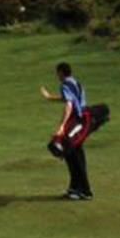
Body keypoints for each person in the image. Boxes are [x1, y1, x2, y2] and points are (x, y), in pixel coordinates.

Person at [40, 61, 92, 199]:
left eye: (57, 72)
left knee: (73, 155)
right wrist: (50, 97)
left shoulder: (64, 84)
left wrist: (62, 126)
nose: (57, 75)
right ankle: (75, 189)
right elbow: (70, 99)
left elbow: (69, 105)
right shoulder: (75, 82)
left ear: (61, 72)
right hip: (83, 119)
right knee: (73, 154)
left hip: (77, 120)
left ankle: (84, 191)